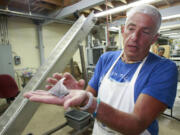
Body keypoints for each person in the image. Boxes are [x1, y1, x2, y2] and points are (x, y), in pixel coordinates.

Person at [24, 4, 178, 135]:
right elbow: (86, 101)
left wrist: (89, 102)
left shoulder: (163, 69)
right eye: (131, 28)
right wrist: (72, 95)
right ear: (123, 30)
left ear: (154, 38)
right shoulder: (107, 59)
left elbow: (136, 124)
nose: (134, 37)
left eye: (145, 32)